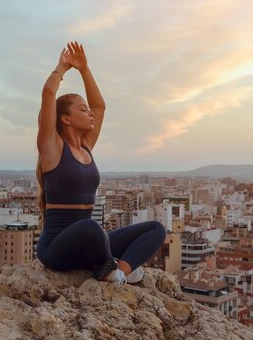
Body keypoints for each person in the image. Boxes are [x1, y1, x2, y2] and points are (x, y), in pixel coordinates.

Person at [35, 41, 166, 285]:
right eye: (82, 110)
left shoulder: (86, 146)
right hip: (56, 248)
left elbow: (100, 106)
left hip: (89, 242)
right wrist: (61, 68)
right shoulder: (52, 148)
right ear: (66, 119)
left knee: (156, 229)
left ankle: (118, 272)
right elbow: (48, 95)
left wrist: (84, 69)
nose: (90, 113)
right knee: (92, 228)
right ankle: (108, 265)